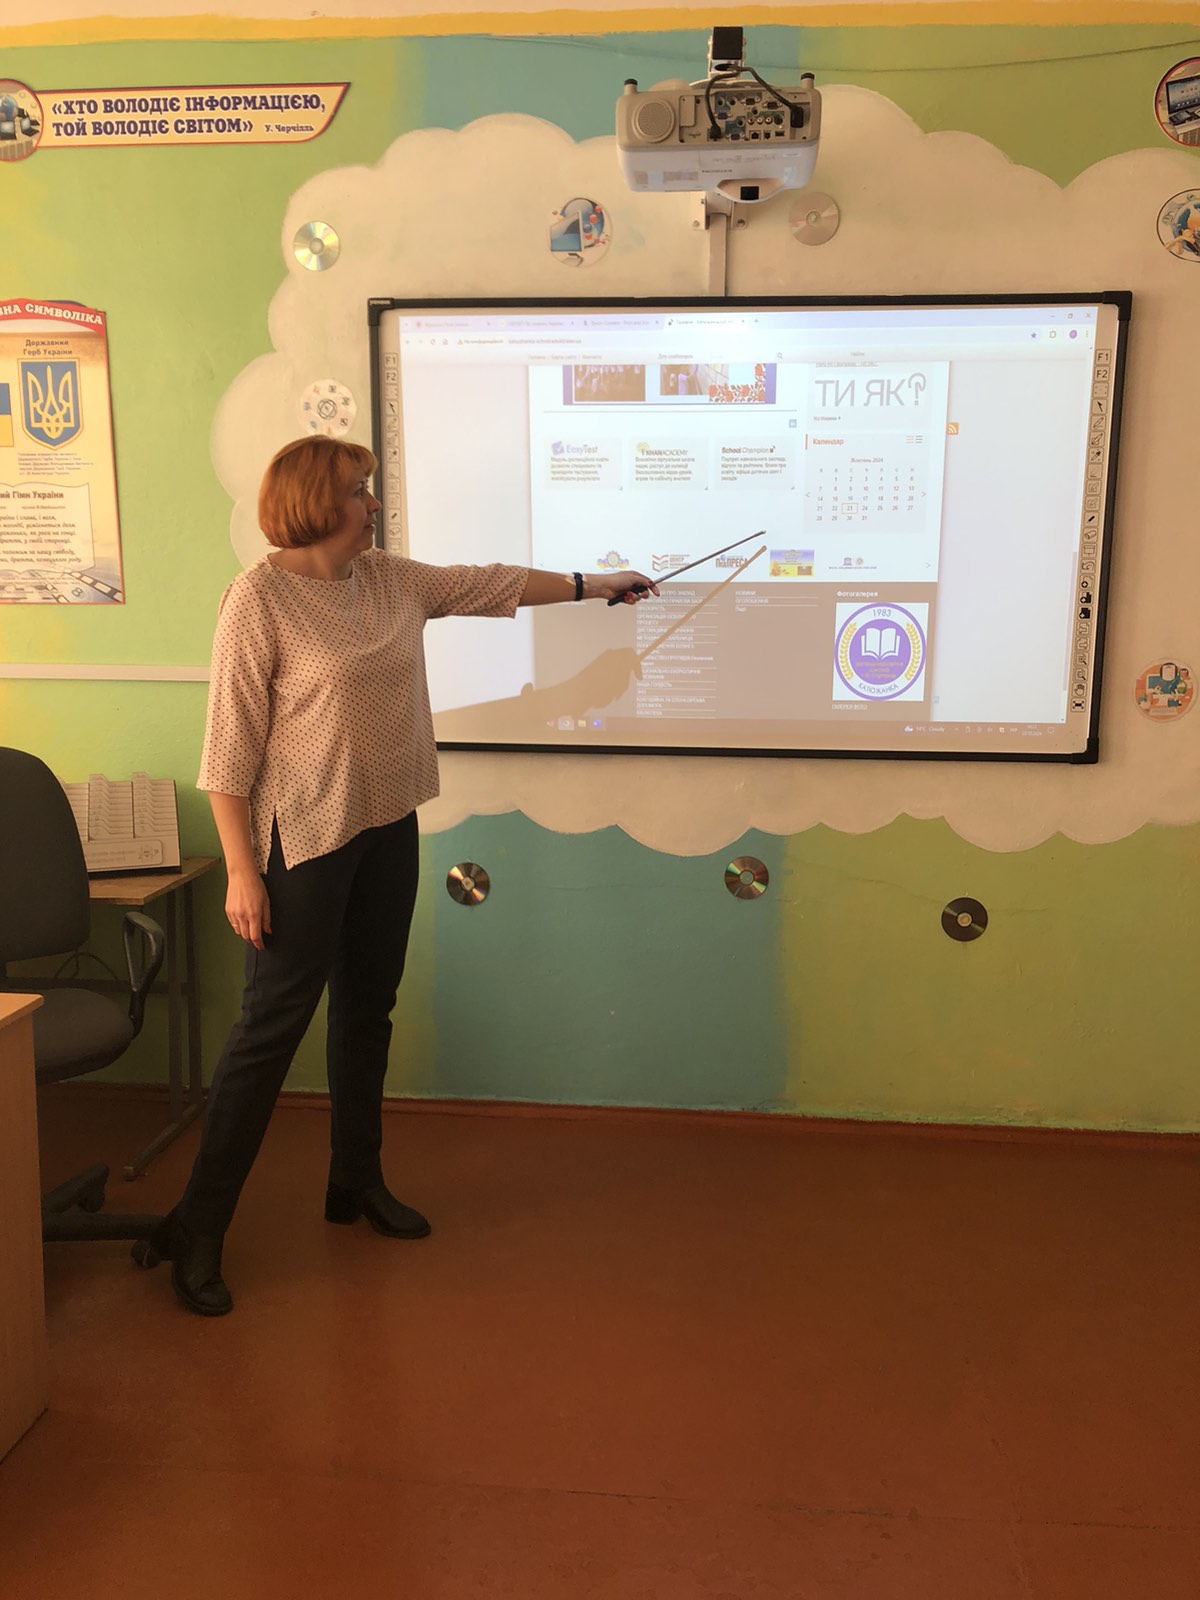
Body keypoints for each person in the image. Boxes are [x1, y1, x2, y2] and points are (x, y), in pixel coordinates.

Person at [161, 435, 658, 1316]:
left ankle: (355, 1181)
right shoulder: (258, 601)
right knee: (269, 1033)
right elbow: (227, 755)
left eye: (371, 489)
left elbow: (491, 583)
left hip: (387, 823)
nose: (375, 505)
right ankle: (197, 1227)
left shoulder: (389, 579)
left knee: (368, 1011)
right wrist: (242, 872)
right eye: (361, 491)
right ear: (317, 504)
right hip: (300, 843)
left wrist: (595, 584)